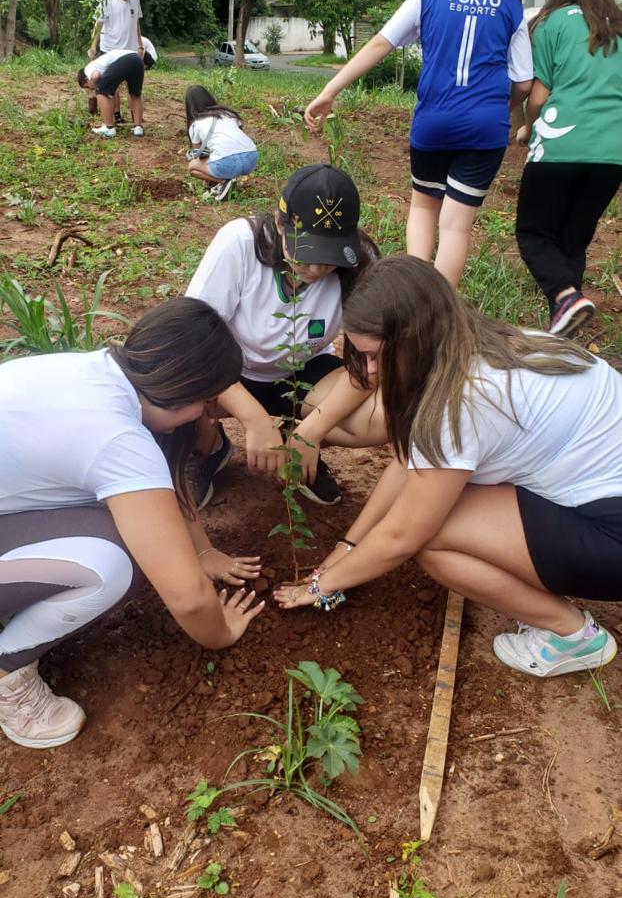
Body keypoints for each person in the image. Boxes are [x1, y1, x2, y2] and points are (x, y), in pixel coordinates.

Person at [274, 255, 619, 681]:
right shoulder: (479, 344)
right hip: (602, 498)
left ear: (414, 339)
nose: (370, 372)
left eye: (377, 357)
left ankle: (574, 637)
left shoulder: (461, 404)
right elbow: (408, 467)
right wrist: (346, 548)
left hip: (612, 536)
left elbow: (404, 534)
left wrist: (320, 586)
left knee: (433, 537)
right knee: (432, 506)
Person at [0, 298, 264, 749]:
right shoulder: (117, 437)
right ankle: (8, 676)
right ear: (187, 392)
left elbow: (156, 494)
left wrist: (201, 551)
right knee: (117, 560)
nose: (208, 414)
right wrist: (220, 634)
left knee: (126, 523)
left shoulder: (97, 372)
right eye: (208, 400)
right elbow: (187, 599)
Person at [304, 0, 533, 286]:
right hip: (486, 130)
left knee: (424, 207)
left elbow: (381, 43)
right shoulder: (512, 6)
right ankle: (439, 313)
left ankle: (412, 297)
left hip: (434, 123)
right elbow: (525, 83)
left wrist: (331, 89)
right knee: (456, 226)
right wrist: (501, 108)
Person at [185, 164, 382, 507]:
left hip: (302, 372)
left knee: (385, 415)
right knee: (168, 398)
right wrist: (253, 417)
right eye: (306, 255)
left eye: (330, 258)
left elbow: (371, 365)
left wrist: (312, 431)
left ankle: (295, 438)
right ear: (279, 224)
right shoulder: (240, 244)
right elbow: (191, 341)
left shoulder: (360, 263)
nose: (318, 271)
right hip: (226, 374)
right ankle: (207, 447)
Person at [515, 0, 622, 336]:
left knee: (533, 233)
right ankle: (565, 326)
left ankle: (564, 296)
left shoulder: (551, 23)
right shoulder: (619, 27)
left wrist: (527, 126)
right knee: (572, 241)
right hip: (613, 153)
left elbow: (539, 97)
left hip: (561, 145)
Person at [185, 85, 258, 202]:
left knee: (193, 167)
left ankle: (224, 182)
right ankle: (229, 180)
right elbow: (238, 134)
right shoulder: (228, 113)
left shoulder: (196, 124)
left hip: (226, 162)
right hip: (251, 158)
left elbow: (197, 153)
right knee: (222, 158)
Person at [77, 49, 145, 138]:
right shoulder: (102, 66)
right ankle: (138, 127)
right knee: (135, 94)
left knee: (100, 90)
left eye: (87, 87)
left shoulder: (88, 69)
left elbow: (95, 76)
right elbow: (113, 92)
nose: (90, 89)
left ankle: (108, 127)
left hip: (124, 60)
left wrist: (98, 87)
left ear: (86, 80)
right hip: (137, 59)